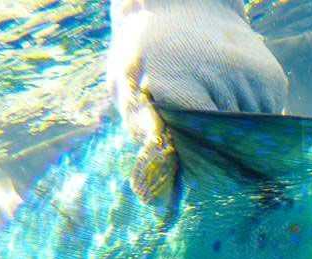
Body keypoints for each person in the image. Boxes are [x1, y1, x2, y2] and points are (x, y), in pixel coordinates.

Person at [108, 0, 289, 204]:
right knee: (268, 178)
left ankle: (158, 140)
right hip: (256, 59)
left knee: (205, 202)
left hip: (163, 51)